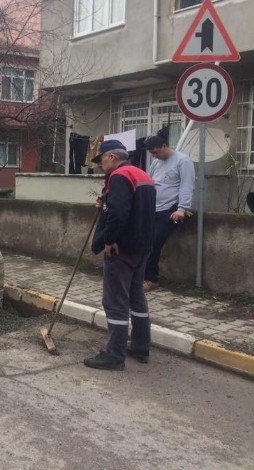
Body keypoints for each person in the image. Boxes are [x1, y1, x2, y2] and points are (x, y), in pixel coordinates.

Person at [87, 140, 156, 370]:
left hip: (121, 248)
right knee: (136, 296)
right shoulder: (141, 174)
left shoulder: (119, 176)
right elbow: (132, 207)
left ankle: (114, 355)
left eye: (101, 160)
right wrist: (106, 201)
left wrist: (109, 240)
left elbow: (119, 213)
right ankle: (140, 346)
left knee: (115, 301)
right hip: (142, 247)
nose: (100, 165)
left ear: (112, 157)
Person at [143, 135, 195, 291]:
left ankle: (151, 280)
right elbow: (150, 182)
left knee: (154, 241)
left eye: (156, 152)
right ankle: (144, 276)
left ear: (164, 145)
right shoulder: (156, 163)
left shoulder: (182, 161)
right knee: (146, 242)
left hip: (171, 210)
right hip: (154, 208)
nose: (154, 156)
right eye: (152, 154)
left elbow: (187, 185)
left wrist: (182, 208)